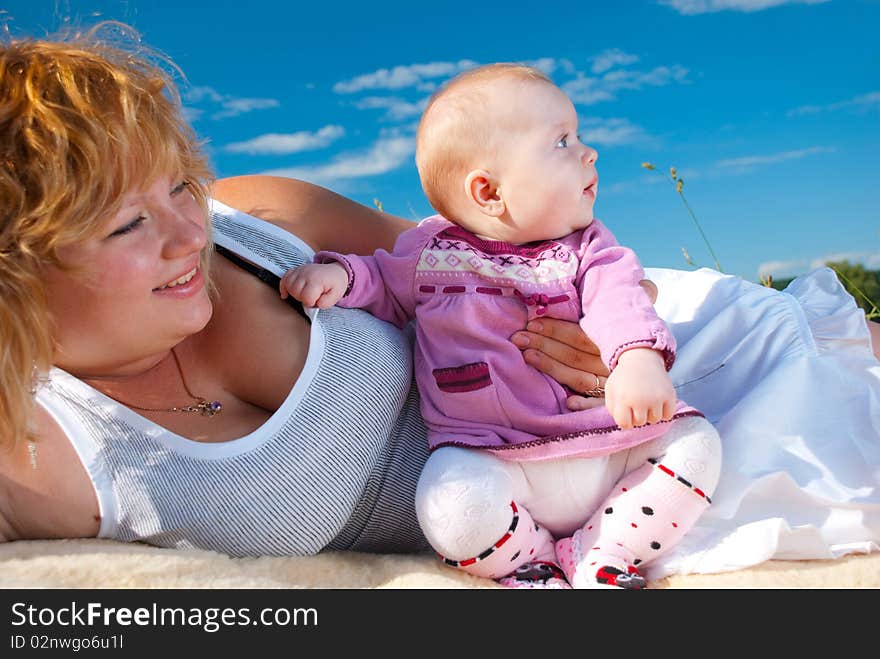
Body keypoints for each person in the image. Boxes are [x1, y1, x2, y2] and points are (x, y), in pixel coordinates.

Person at [1, 25, 878, 586]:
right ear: (17, 268)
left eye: (181, 185)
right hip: (539, 500)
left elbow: (487, 247)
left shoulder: (260, 220)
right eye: (127, 225)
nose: (188, 233)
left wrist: (617, 328)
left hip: (629, 371)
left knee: (844, 361)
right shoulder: (40, 454)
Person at [280, 64, 722, 589]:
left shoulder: (589, 249)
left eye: (578, 136)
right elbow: (381, 278)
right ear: (488, 192)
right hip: (492, 457)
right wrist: (339, 276)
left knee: (696, 442)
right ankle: (528, 562)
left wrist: (637, 359)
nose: (589, 151)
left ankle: (604, 552)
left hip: (602, 443)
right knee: (445, 503)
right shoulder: (430, 252)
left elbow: (620, 300)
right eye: (561, 141)